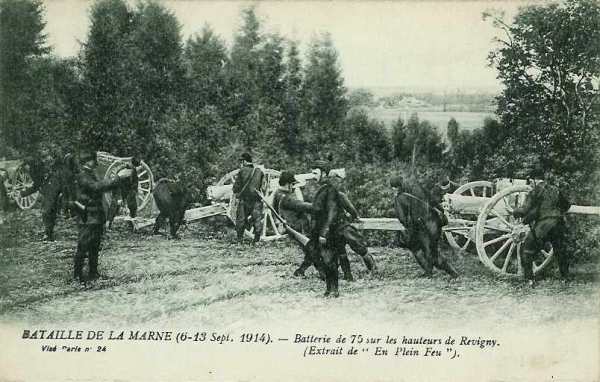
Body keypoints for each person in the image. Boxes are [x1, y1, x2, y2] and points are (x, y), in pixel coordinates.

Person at [309, 160, 376, 297]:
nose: (313, 176)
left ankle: (370, 269)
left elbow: (334, 211)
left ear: (324, 174)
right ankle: (337, 284)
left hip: (337, 228)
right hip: (329, 230)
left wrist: (325, 231)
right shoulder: (323, 190)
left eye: (315, 173)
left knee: (356, 247)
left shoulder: (332, 191)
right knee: (333, 256)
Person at [73, 150, 132, 282]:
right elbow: (96, 187)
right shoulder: (83, 176)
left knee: (94, 246)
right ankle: (77, 275)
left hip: (95, 216)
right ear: (88, 161)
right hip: (87, 216)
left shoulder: (90, 174)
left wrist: (117, 180)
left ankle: (93, 272)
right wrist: (118, 177)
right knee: (83, 246)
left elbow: (102, 186)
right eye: (94, 160)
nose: (96, 162)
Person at [391, 174, 458, 278]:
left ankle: (447, 273)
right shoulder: (417, 188)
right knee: (431, 250)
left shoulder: (399, 198)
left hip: (421, 227)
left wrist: (410, 229)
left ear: (395, 187)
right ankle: (436, 272)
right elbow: (434, 201)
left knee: (418, 249)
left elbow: (402, 218)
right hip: (434, 224)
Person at [513, 168, 571, 286]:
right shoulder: (556, 190)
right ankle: (565, 278)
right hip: (559, 224)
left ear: (534, 180)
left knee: (526, 250)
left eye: (531, 181)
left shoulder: (535, 191)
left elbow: (524, 210)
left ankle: (530, 280)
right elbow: (566, 205)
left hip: (544, 226)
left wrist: (515, 211)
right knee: (561, 251)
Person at [21, 149, 76, 241]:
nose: (45, 159)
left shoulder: (55, 168)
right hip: (50, 190)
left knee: (48, 211)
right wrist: (24, 193)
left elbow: (65, 181)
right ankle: (48, 233)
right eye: (43, 157)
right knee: (48, 212)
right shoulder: (39, 168)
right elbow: (37, 185)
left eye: (47, 156)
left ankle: (49, 233)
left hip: (56, 188)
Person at [232, 153, 264, 243]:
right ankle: (256, 241)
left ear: (244, 161)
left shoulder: (242, 171)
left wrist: (236, 191)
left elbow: (236, 187)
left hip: (245, 200)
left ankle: (239, 240)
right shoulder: (259, 171)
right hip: (256, 200)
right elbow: (262, 186)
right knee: (257, 220)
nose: (241, 163)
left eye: (241, 161)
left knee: (241, 219)